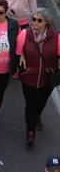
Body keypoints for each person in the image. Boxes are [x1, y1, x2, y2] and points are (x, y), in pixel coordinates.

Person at [15, 8, 60, 147]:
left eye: (39, 20)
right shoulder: (24, 34)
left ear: (46, 22)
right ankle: (30, 132)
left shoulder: (56, 37)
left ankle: (37, 115)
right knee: (31, 105)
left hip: (48, 77)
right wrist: (21, 57)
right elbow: (18, 52)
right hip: (30, 77)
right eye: (33, 19)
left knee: (41, 102)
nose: (35, 22)